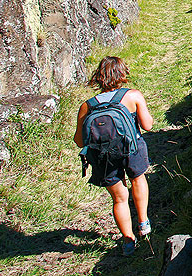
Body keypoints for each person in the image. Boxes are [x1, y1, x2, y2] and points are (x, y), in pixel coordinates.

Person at [73, 56, 154, 256]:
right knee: (138, 179)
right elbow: (148, 125)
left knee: (119, 198)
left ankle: (128, 240)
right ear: (122, 74)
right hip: (131, 149)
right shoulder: (133, 96)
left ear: (99, 77)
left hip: (103, 158)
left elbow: (80, 141)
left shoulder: (87, 106)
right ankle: (143, 223)